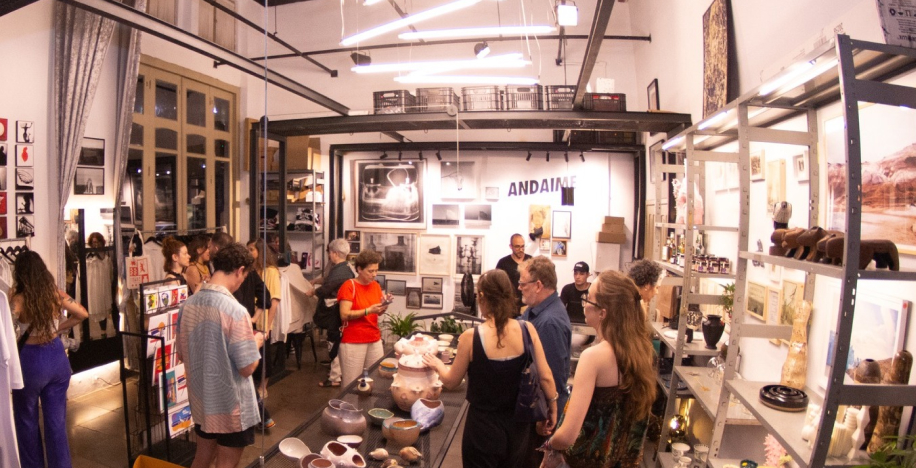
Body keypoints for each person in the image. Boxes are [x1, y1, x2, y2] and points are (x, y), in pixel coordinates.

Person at [423, 269, 558, 468]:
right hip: (518, 426)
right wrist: (553, 407)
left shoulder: (471, 337)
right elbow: (546, 377)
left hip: (482, 429)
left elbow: (451, 381)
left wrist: (437, 365)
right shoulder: (527, 330)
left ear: (482, 297)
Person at [544, 271, 657, 468]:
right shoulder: (642, 352)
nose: (585, 303)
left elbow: (568, 435)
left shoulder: (593, 357)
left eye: (589, 298)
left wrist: (549, 445)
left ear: (603, 313)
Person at [176, 242, 264, 468]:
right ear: (240, 270)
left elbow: (183, 354)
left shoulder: (187, 306)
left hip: (202, 400)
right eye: (244, 276)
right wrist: (256, 342)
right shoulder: (235, 310)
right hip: (231, 406)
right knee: (226, 464)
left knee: (202, 458)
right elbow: (247, 367)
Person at [11, 251, 89, 468]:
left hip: (30, 362)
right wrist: (58, 327)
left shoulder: (16, 298)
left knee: (26, 421)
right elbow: (83, 314)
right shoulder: (55, 294)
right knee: (56, 424)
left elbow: (7, 327)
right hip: (56, 358)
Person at [519, 256, 571, 467]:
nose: (519, 288)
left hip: (540, 417)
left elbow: (551, 377)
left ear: (538, 285)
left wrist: (545, 415)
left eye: (523, 283)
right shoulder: (534, 310)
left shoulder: (549, 323)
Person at [337, 250, 393, 386]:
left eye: (376, 270)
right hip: (353, 340)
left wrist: (383, 307)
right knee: (351, 383)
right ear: (359, 269)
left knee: (375, 380)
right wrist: (368, 310)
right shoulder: (349, 286)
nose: (374, 274)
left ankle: (369, 408)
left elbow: (376, 312)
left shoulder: (375, 286)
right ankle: (350, 407)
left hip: (374, 338)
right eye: (370, 271)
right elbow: (344, 314)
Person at [246, 238, 282, 428]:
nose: (250, 252)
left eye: (252, 249)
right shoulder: (253, 271)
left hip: (262, 324)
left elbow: (273, 300)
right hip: (251, 322)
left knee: (263, 361)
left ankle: (261, 393)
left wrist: (268, 325)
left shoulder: (272, 272)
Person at [310, 238, 355, 388]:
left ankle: (335, 376)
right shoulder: (345, 267)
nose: (329, 255)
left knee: (334, 340)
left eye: (330, 252)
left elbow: (328, 288)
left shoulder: (340, 271)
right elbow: (330, 280)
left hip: (335, 310)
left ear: (334, 253)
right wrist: (318, 280)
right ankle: (336, 371)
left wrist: (313, 291)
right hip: (339, 308)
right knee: (336, 339)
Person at [495, 233, 531, 312]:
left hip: (527, 306)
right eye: (517, 246)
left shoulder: (531, 261)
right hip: (509, 307)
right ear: (511, 246)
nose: (521, 249)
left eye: (522, 246)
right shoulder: (503, 263)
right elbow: (497, 286)